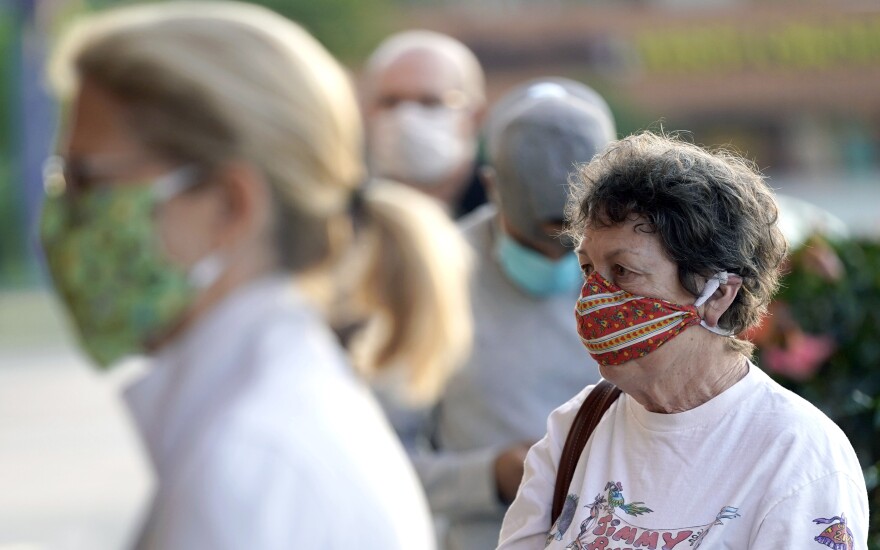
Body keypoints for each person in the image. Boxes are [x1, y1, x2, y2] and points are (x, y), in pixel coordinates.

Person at [40, 3, 472, 548]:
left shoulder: (250, 462)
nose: (61, 216)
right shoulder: (262, 420)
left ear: (229, 206)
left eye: (84, 180)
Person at [498, 132, 869, 549]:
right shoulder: (576, 426)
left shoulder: (797, 454)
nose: (594, 298)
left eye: (623, 271)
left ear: (718, 295)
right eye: (588, 269)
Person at [398, 78, 614, 550]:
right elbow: (375, 459)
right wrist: (491, 476)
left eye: (580, 244)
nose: (563, 261)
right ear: (491, 186)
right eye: (540, 239)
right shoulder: (436, 277)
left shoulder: (647, 274)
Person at [361, 30, 487, 217]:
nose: (406, 118)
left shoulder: (508, 214)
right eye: (390, 101)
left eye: (429, 102)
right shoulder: (343, 219)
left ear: (474, 116)